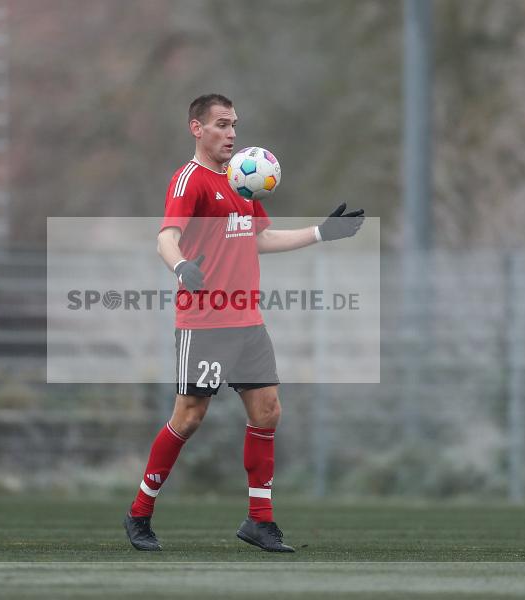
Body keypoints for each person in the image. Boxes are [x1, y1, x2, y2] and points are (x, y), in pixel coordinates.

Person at [123, 93, 364, 552]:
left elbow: (261, 238)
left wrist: (321, 232)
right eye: (221, 124)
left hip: (246, 318)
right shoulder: (189, 180)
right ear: (197, 128)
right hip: (204, 320)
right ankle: (139, 512)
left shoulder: (242, 182)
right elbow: (166, 240)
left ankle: (259, 520)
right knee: (190, 417)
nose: (231, 133)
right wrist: (180, 268)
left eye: (234, 124)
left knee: (268, 411)